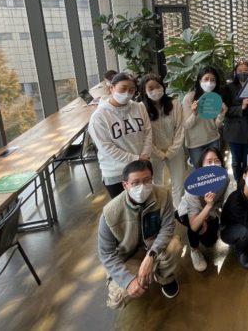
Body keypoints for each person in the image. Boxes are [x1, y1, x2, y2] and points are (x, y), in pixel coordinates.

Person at [97, 160, 181, 308]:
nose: (142, 187)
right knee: (117, 299)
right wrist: (128, 281)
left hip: (154, 248)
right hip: (128, 256)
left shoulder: (163, 195)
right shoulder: (109, 214)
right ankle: (135, 278)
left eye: (147, 180)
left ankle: (165, 277)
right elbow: (106, 254)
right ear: (125, 185)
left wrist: (151, 256)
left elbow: (168, 227)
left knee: (174, 246)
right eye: (135, 183)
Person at [88, 72, 152, 198]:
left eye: (131, 90)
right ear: (111, 88)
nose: (127, 93)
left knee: (146, 203)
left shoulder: (139, 107)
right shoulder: (99, 117)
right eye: (123, 88)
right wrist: (136, 158)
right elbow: (107, 148)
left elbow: (148, 133)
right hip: (116, 172)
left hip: (141, 167)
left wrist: (144, 156)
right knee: (122, 207)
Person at [176, 147, 229, 272]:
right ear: (201, 166)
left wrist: (211, 213)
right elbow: (194, 225)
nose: (213, 164)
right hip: (188, 211)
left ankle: (206, 227)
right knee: (197, 228)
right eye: (209, 161)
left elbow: (219, 201)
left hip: (210, 211)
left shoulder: (224, 179)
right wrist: (207, 209)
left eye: (217, 160)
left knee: (210, 242)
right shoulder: (193, 186)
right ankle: (194, 249)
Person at [140, 73, 186, 206]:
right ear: (144, 91)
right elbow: (144, 135)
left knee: (178, 183)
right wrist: (159, 153)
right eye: (150, 88)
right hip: (153, 154)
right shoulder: (141, 108)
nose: (155, 90)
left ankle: (178, 210)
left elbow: (180, 129)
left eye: (158, 86)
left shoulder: (175, 103)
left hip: (175, 151)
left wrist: (171, 151)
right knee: (156, 184)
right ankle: (161, 209)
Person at [223, 61, 248, 182]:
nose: (243, 73)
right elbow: (225, 110)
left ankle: (247, 184)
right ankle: (238, 183)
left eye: (246, 70)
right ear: (235, 73)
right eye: (239, 71)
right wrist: (241, 107)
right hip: (233, 132)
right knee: (236, 162)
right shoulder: (228, 88)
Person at [182, 66, 228, 168]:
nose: (209, 83)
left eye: (213, 80)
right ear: (199, 81)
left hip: (213, 140)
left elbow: (216, 125)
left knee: (214, 172)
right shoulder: (189, 98)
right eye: (206, 79)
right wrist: (194, 114)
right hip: (195, 144)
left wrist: (222, 114)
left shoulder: (215, 98)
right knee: (200, 173)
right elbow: (186, 125)